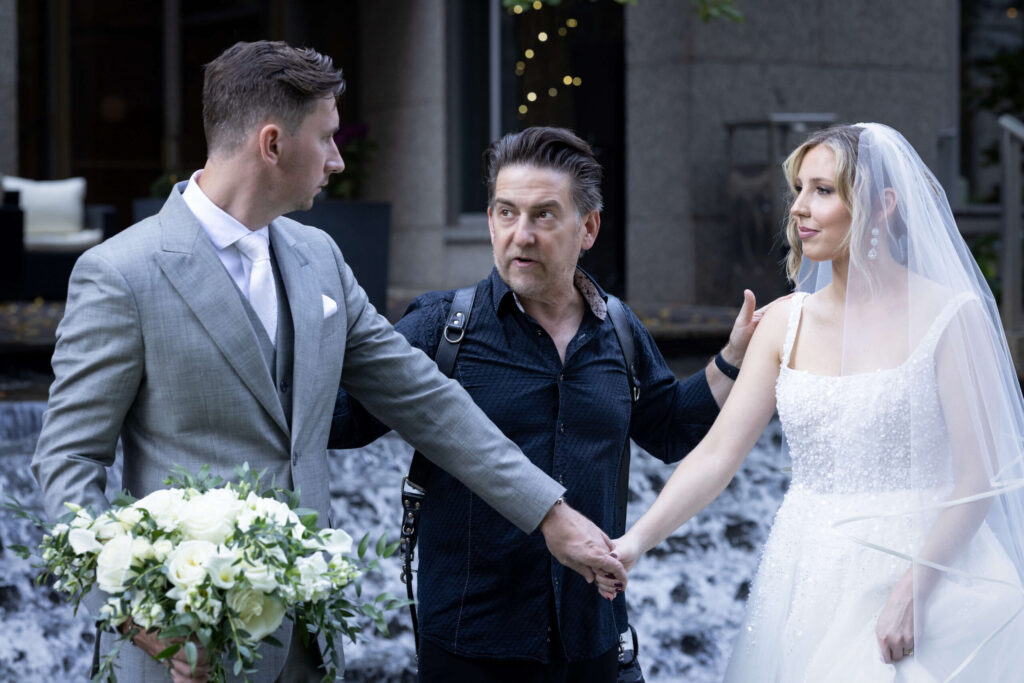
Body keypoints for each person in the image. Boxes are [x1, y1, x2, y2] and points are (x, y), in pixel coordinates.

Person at [30, 42, 625, 683]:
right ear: (273, 144)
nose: (338, 160)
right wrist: (138, 614)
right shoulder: (121, 273)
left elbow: (424, 399)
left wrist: (550, 514)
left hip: (310, 646)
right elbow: (68, 461)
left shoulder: (319, 257)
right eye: (327, 138)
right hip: (182, 652)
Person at [331, 126, 763, 683]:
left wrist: (732, 356)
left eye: (544, 216)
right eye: (506, 214)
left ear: (588, 228)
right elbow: (344, 421)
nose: (521, 235)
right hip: (472, 644)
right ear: (489, 221)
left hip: (594, 638)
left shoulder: (622, 331)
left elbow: (670, 429)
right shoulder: (443, 328)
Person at [601, 123, 1024, 681]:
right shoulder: (781, 321)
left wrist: (914, 588)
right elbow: (716, 455)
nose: (799, 208)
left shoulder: (950, 317)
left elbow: (978, 474)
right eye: (799, 189)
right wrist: (635, 542)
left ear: (881, 206)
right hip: (808, 575)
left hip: (929, 568)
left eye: (822, 190)